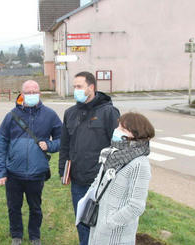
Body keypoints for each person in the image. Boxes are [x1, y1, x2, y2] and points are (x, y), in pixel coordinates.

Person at [0, 80, 62, 245]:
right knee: (14, 208)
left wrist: (50, 145)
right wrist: (1, 172)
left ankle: (34, 236)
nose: (32, 95)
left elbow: (63, 139)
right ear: (22, 94)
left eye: (35, 91)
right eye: (28, 92)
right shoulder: (11, 117)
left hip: (37, 172)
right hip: (13, 173)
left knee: (35, 208)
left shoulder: (50, 115)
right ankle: (16, 236)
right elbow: (0, 144)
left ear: (40, 93)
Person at [59, 71, 120, 245]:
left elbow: (118, 147)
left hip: (102, 182)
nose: (75, 90)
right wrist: (63, 172)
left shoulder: (109, 112)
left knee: (102, 224)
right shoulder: (70, 113)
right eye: (74, 87)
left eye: (79, 86)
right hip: (78, 181)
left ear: (91, 88)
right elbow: (65, 145)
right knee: (82, 223)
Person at [87, 112, 155, 244]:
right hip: (98, 223)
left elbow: (136, 206)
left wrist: (109, 222)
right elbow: (99, 180)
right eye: (118, 126)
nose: (116, 130)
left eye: (122, 129)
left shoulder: (139, 163)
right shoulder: (112, 153)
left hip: (116, 235)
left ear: (135, 135)